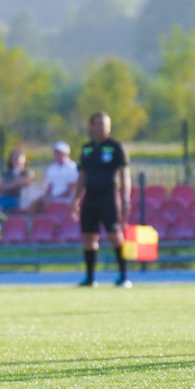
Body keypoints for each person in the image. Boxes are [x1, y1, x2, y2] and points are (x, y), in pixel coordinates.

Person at [70, 112, 132, 288]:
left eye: (105, 124)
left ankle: (123, 276)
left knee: (115, 235)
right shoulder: (87, 149)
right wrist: (75, 199)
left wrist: (125, 199)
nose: (102, 127)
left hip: (109, 198)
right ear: (92, 126)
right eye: (98, 124)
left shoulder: (115, 147)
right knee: (89, 237)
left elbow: (124, 175)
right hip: (90, 198)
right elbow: (82, 175)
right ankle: (90, 278)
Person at [30, 141, 79, 214]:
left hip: (67, 198)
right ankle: (37, 224)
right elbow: (50, 186)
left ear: (67, 154)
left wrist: (55, 198)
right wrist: (48, 196)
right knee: (35, 204)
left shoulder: (72, 167)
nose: (57, 155)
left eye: (60, 153)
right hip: (53, 197)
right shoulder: (52, 168)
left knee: (49, 204)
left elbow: (70, 190)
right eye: (56, 152)